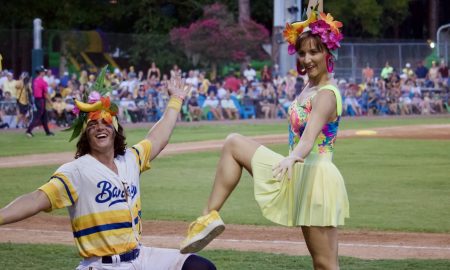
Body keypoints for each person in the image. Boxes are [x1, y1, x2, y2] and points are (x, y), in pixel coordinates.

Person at [180, 7, 349, 270]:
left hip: (315, 176)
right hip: (298, 169)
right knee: (233, 143)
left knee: (325, 264)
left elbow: (308, 138)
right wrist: (311, 18)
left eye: (314, 51)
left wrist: (293, 157)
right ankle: (207, 218)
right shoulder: (309, 86)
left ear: (328, 52)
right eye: (303, 52)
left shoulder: (326, 94)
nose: (307, 59)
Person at [0, 67, 216, 270]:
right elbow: (36, 199)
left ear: (114, 130)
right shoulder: (76, 171)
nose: (99, 127)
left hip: (139, 257)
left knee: (200, 267)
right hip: (102, 265)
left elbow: (158, 137)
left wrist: (176, 99)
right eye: (92, 124)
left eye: (105, 123)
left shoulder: (129, 160)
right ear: (85, 135)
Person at [26, 66, 54, 137]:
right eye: (43, 71)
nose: (45, 72)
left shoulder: (35, 80)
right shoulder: (43, 82)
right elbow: (46, 93)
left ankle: (47, 132)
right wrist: (50, 102)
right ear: (41, 73)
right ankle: (28, 131)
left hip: (37, 100)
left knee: (44, 117)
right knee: (37, 117)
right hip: (41, 101)